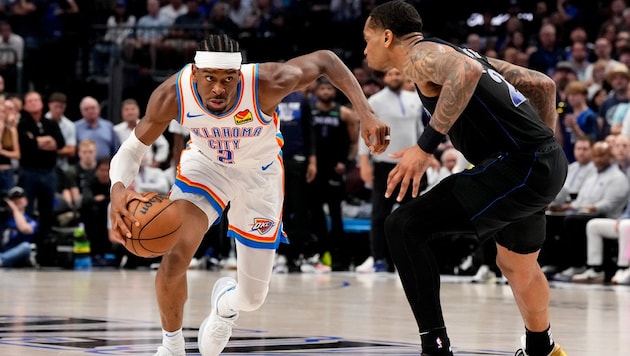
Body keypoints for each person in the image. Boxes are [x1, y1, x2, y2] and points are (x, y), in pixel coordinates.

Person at [108, 34, 389, 356]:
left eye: (228, 79)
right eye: (210, 78)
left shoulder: (268, 82)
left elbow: (326, 58)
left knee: (253, 298)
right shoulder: (172, 94)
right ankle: (171, 346)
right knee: (174, 256)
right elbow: (132, 150)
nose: (219, 88)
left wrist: (366, 112)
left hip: (259, 174)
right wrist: (118, 190)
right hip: (206, 168)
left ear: (239, 75)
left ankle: (226, 305)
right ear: (195, 73)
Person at [362, 2, 567, 356]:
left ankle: (435, 348)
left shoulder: (419, 55)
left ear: (387, 36)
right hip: (539, 163)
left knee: (403, 226)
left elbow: (466, 73)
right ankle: (542, 348)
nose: (365, 49)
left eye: (367, 40)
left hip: (519, 164)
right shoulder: (456, 50)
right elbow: (542, 84)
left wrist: (425, 148)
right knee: (516, 265)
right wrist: (542, 151)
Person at [356, 67, 425, 273]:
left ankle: (409, 257)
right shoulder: (375, 101)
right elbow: (365, 132)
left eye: (398, 73)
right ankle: (377, 258)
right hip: (384, 163)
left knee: (410, 214)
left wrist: (426, 156)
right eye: (390, 74)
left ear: (404, 75)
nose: (395, 77)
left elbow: (419, 131)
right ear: (384, 77)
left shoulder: (415, 99)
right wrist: (364, 162)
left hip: (410, 164)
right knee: (380, 214)